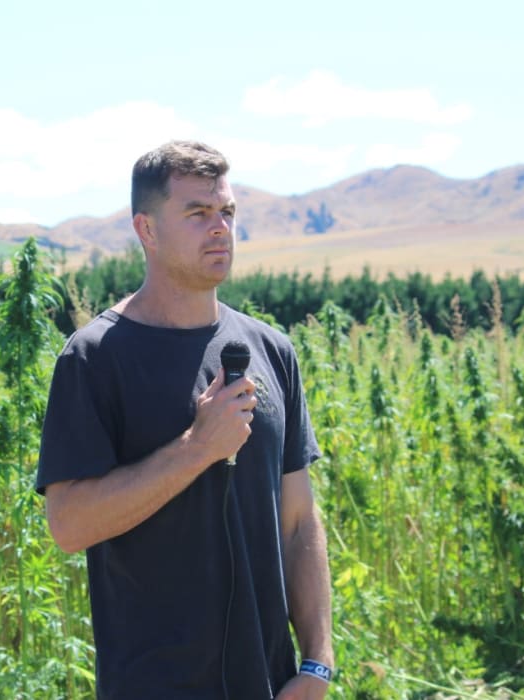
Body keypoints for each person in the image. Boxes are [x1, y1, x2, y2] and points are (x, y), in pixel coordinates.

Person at [37, 140, 334, 699]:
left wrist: (317, 664)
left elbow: (298, 522)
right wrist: (198, 446)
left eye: (227, 212)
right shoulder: (96, 358)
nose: (219, 228)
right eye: (197, 214)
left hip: (271, 685)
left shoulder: (271, 349)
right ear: (146, 231)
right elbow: (69, 524)